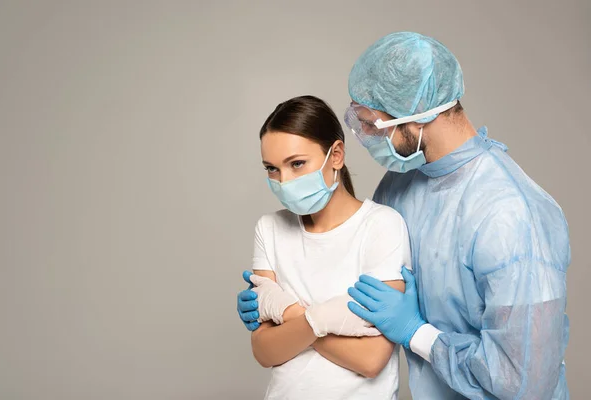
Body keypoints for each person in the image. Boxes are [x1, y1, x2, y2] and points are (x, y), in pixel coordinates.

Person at [237, 32, 570, 399]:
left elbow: (525, 383)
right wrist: (274, 309)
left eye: (370, 123)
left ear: (416, 116)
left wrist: (416, 332)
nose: (362, 136)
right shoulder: (398, 188)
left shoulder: (512, 213)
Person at [243, 95, 412, 400]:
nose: (284, 181)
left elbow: (371, 359)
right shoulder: (269, 229)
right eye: (272, 168)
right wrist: (326, 319)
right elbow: (264, 351)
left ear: (335, 155)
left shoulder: (381, 226)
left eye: (297, 164)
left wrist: (292, 315)